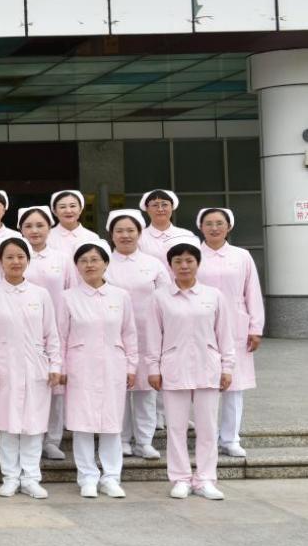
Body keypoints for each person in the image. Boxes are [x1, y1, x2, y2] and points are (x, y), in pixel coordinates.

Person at [146, 242, 235, 500]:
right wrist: (153, 368)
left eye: (189, 261)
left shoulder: (213, 295)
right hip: (173, 366)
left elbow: (224, 334)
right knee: (176, 427)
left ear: (198, 263)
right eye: (178, 261)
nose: (184, 266)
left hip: (208, 367)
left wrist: (227, 367)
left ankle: (206, 478)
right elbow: (153, 336)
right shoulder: (159, 297)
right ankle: (181, 478)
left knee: (207, 427)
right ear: (170, 265)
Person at [0, 238, 62, 499]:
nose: (15, 262)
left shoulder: (40, 294)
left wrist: (55, 364)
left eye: (20, 257)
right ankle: (10, 477)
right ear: (0, 262)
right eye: (9, 257)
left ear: (28, 260)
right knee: (8, 425)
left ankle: (31, 478)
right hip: (4, 366)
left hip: (36, 366)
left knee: (34, 425)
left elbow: (51, 333)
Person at [59, 241, 138, 499]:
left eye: (94, 260)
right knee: (82, 424)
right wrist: (60, 367)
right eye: (83, 261)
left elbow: (129, 333)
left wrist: (132, 365)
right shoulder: (68, 297)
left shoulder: (120, 296)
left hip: (113, 365)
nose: (89, 265)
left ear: (105, 263)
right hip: (80, 366)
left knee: (111, 424)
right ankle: (87, 477)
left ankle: (111, 477)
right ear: (77, 267)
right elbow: (60, 336)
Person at [195, 208, 264, 458]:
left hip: (236, 324)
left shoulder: (241, 256)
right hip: (200, 324)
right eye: (209, 223)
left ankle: (230, 438)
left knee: (235, 384)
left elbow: (252, 291)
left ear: (229, 226)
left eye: (219, 223)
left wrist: (255, 327)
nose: (214, 228)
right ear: (200, 227)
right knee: (204, 385)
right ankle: (208, 437)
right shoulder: (193, 254)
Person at [105, 209, 170, 460]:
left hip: (147, 334)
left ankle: (144, 441)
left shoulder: (153, 264)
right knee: (118, 391)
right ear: (111, 235)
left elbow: (166, 299)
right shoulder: (104, 263)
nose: (125, 235)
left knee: (145, 390)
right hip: (112, 335)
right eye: (119, 231)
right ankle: (121, 439)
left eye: (130, 230)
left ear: (139, 233)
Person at [18, 205, 76, 461]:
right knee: (26, 385)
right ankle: (27, 435)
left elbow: (71, 291)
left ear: (50, 227)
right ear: (21, 229)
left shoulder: (62, 259)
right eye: (28, 226)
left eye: (40, 225)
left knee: (55, 386)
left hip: (57, 327)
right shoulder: (15, 255)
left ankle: (52, 439)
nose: (34, 230)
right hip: (23, 329)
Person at [137, 189, 199, 264]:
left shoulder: (187, 235)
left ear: (172, 207)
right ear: (147, 208)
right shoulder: (138, 237)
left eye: (164, 205)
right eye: (155, 205)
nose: (160, 209)